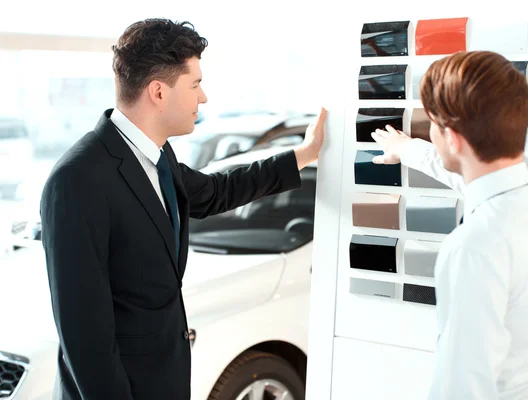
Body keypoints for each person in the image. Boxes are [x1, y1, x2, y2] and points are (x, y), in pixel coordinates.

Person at [40, 18, 326, 400]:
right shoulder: (77, 180)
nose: (203, 98)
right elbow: (84, 335)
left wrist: (302, 156)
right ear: (158, 92)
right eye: (195, 85)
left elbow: (216, 191)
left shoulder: (159, 157)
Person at [371, 51, 528, 399]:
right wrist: (409, 148)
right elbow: (485, 180)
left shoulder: (474, 247)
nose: (433, 134)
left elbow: (461, 386)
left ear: (452, 138)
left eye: (434, 126)